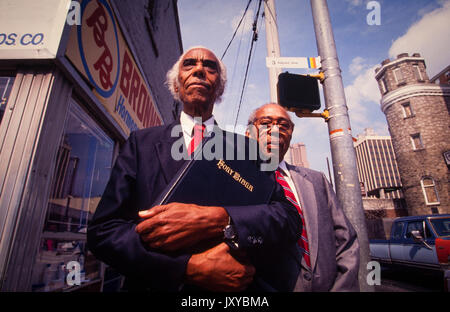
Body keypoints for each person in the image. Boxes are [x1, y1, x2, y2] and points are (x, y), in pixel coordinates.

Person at [87, 47, 301, 292]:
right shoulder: (140, 144)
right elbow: (103, 232)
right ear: (177, 83)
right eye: (189, 64)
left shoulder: (248, 150)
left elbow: (289, 219)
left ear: (219, 87)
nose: (199, 69)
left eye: (210, 67)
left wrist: (220, 219)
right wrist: (188, 267)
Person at [246, 103, 360, 291]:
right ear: (249, 133)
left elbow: (346, 241)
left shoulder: (317, 181)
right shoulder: (237, 180)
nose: (275, 130)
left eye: (283, 125)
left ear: (290, 134)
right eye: (266, 123)